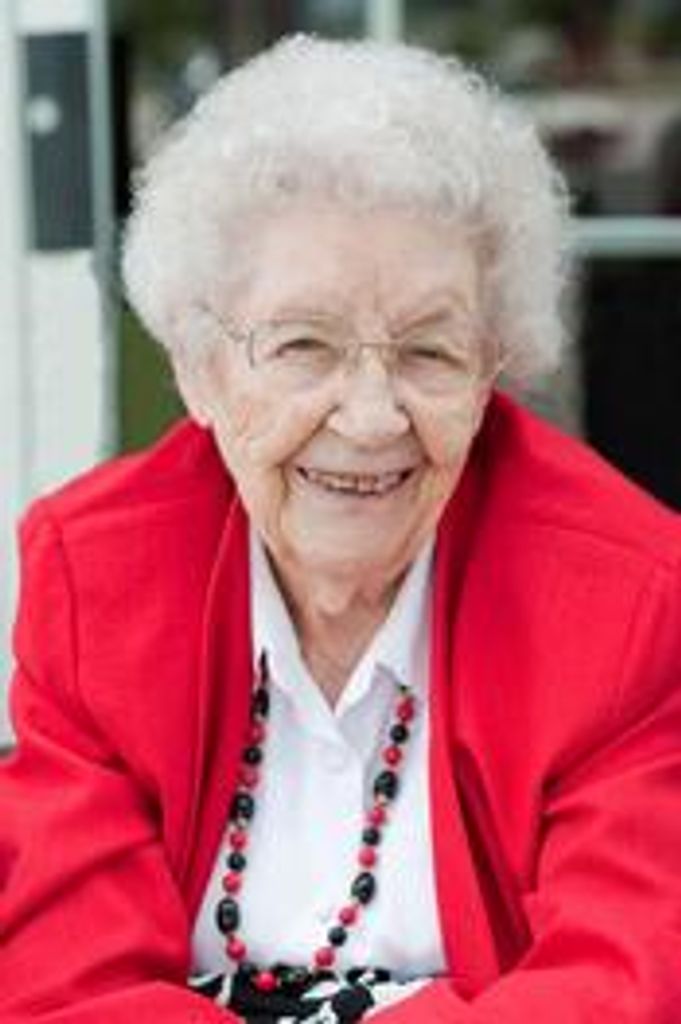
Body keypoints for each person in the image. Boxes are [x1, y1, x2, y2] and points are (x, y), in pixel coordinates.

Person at [2, 34, 681, 1024]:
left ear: (493, 368)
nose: (369, 417)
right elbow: (67, 987)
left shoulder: (625, 599)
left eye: (429, 352)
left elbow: (621, 987)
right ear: (199, 369)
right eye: (303, 346)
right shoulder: (98, 581)